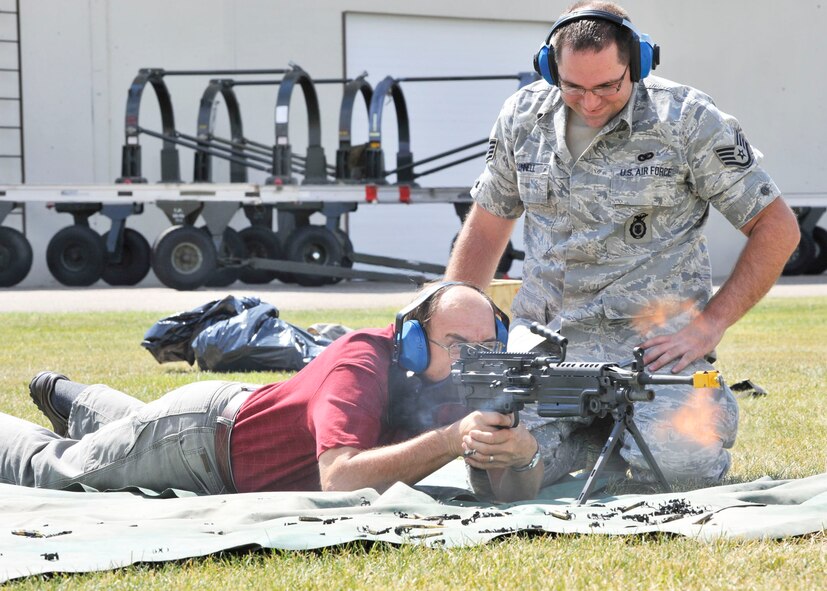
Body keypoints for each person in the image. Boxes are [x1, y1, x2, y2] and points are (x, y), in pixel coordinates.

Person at [445, 1, 800, 491]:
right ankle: (597, 441)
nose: (589, 102)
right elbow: (487, 229)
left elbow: (778, 228)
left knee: (680, 470)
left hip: (652, 354)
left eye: (608, 86)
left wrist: (708, 326)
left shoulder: (687, 119)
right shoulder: (522, 117)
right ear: (550, 67)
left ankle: (674, 419)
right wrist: (450, 328)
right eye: (573, 86)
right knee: (491, 471)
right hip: (547, 352)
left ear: (638, 63)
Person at [0, 282, 542, 502]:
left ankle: (68, 394)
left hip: (223, 421)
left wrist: (521, 459)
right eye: (456, 343)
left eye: (487, 346)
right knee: (59, 471)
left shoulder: (470, 376)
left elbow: (507, 495)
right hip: (199, 443)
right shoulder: (360, 361)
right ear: (415, 340)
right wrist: (451, 438)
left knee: (130, 429)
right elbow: (340, 478)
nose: (475, 358)